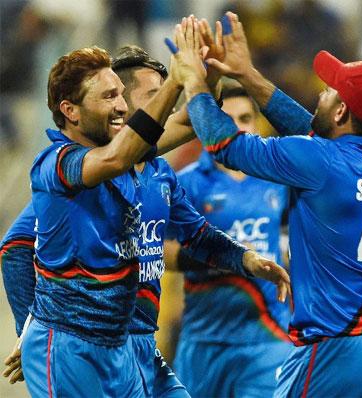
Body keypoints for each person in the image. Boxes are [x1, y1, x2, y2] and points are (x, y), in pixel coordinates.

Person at [18, 43, 290, 397]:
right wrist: (27, 326)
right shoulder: (55, 165)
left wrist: (209, 71)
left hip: (132, 344)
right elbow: (14, 246)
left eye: (120, 94)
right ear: (70, 110)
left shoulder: (156, 171)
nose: (118, 105)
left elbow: (191, 124)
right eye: (109, 96)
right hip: (74, 345)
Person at [170, 14, 362, 397]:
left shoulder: (320, 162)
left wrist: (194, 83)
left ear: (340, 113)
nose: (322, 92)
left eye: (331, 91)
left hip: (339, 349)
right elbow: (312, 136)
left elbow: (225, 145)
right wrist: (248, 75)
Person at [164, 86, 292, 397]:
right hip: (204, 339)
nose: (236, 127)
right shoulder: (187, 182)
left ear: (257, 124)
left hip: (267, 338)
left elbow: (294, 235)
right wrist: (224, 256)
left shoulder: (279, 179)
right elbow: (161, 251)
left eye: (245, 118)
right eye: (227, 119)